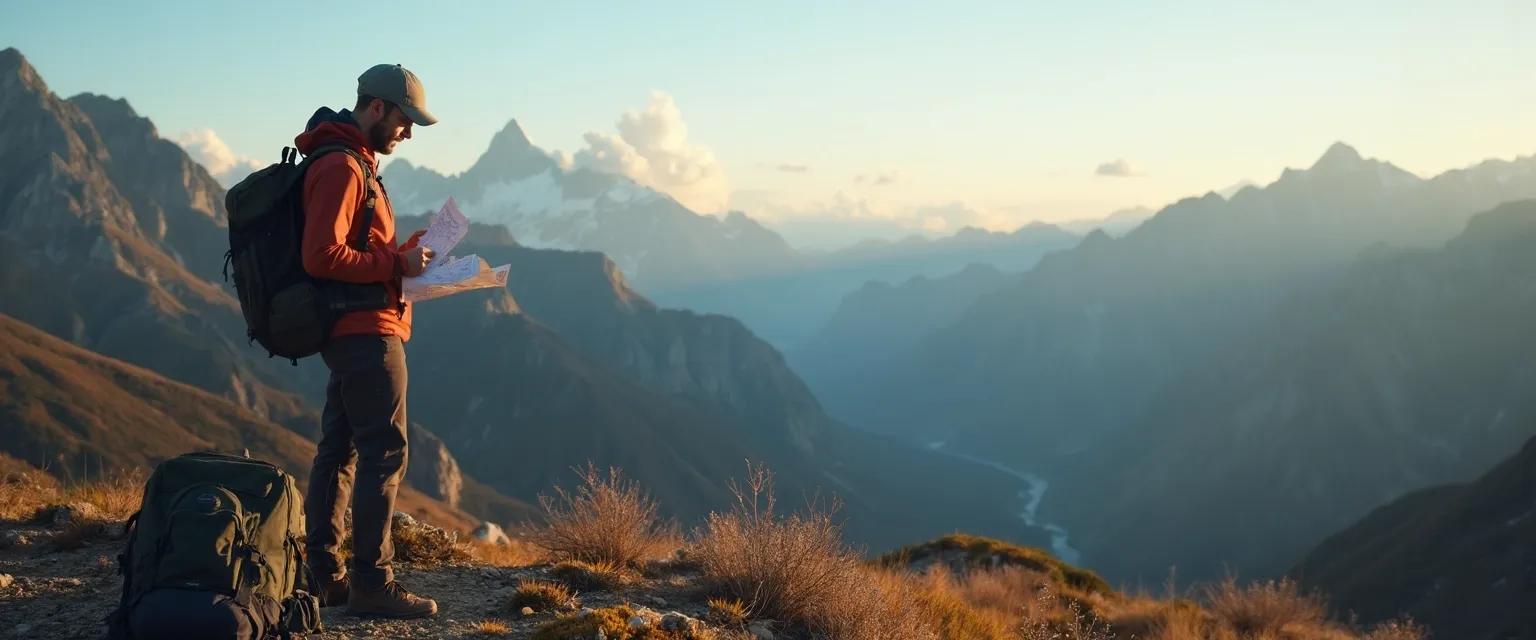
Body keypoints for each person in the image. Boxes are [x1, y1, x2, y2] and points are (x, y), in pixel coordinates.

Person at [295, 63, 439, 619]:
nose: (409, 133)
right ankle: (372, 584)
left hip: (355, 328)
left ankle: (328, 578)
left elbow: (353, 248)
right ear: (376, 107)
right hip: (366, 334)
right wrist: (393, 263)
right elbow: (321, 255)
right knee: (384, 453)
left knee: (340, 451)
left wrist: (403, 255)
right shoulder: (343, 167)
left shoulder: (350, 161)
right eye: (405, 121)